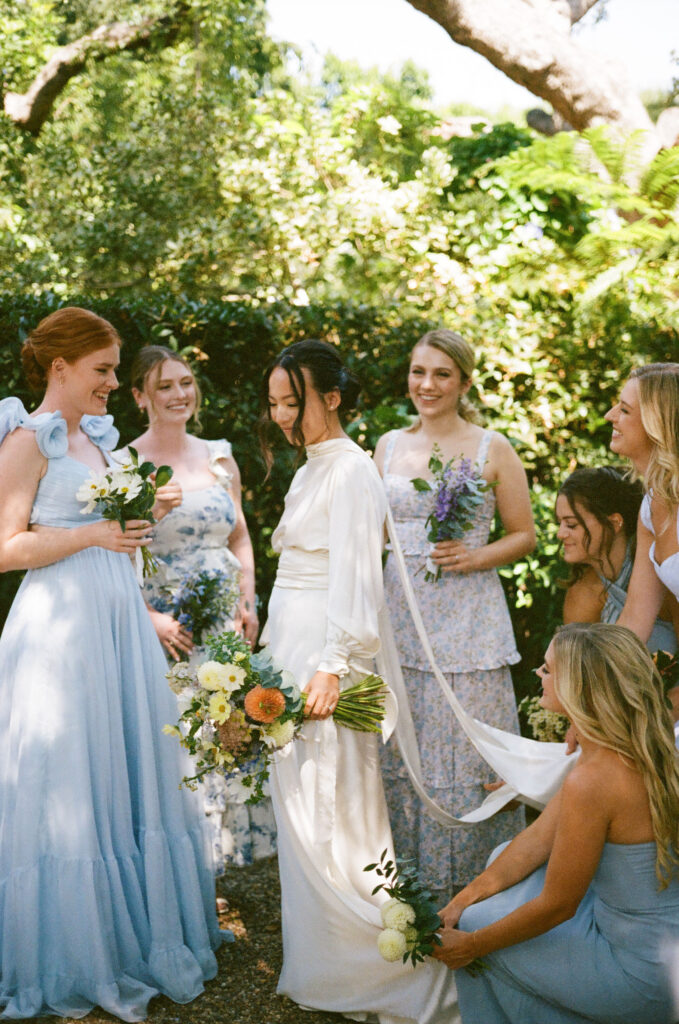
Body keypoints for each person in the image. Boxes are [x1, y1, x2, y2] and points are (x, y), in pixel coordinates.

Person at [0, 308, 223, 1021]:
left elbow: (112, 533)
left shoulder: (98, 439)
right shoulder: (27, 440)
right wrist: (97, 531)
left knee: (122, 766)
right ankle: (72, 948)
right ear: (59, 367)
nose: (111, 384)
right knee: (70, 775)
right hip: (60, 627)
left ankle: (135, 936)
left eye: (114, 370)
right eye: (101, 370)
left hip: (116, 616)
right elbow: (6, 547)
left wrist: (140, 515)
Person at [260, 339, 459, 1022]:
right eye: (277, 403)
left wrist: (332, 667)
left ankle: (372, 973)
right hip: (288, 648)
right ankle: (319, 964)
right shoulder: (309, 468)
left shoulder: (349, 470)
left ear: (333, 397)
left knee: (329, 810)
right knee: (298, 810)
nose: (283, 416)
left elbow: (353, 576)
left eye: (295, 402)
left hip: (324, 660)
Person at [434, 622, 679, 1024]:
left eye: (548, 669)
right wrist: (459, 902)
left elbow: (558, 906)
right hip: (661, 945)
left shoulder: (595, 779)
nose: (539, 674)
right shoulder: (634, 743)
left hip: (643, 972)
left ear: (579, 687)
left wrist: (472, 945)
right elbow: (535, 840)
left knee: (481, 938)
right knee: (495, 876)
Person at [374, 329, 533, 899]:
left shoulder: (494, 447)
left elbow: (525, 534)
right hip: (402, 616)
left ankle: (478, 899)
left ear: (464, 382)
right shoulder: (388, 446)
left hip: (469, 622)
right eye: (419, 372)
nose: (427, 385)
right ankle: (407, 904)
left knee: (468, 757)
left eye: (442, 374)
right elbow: (372, 536)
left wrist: (474, 555)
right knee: (405, 752)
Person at [122, 345, 276, 871]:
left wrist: (248, 602)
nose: (179, 394)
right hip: (168, 623)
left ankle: (225, 854)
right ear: (139, 396)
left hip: (223, 623)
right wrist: (150, 621)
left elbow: (239, 535)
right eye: (164, 386)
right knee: (179, 733)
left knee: (227, 726)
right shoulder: (124, 465)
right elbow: (112, 552)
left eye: (185, 382)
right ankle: (178, 859)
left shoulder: (219, 454)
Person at [556, 465, 676, 652]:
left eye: (571, 525)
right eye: (559, 523)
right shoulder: (583, 593)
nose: (560, 533)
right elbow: (576, 669)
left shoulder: (664, 572)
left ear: (614, 523)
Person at [609, 365, 679, 642]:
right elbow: (635, 617)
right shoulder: (651, 506)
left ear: (658, 423)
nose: (610, 416)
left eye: (624, 410)